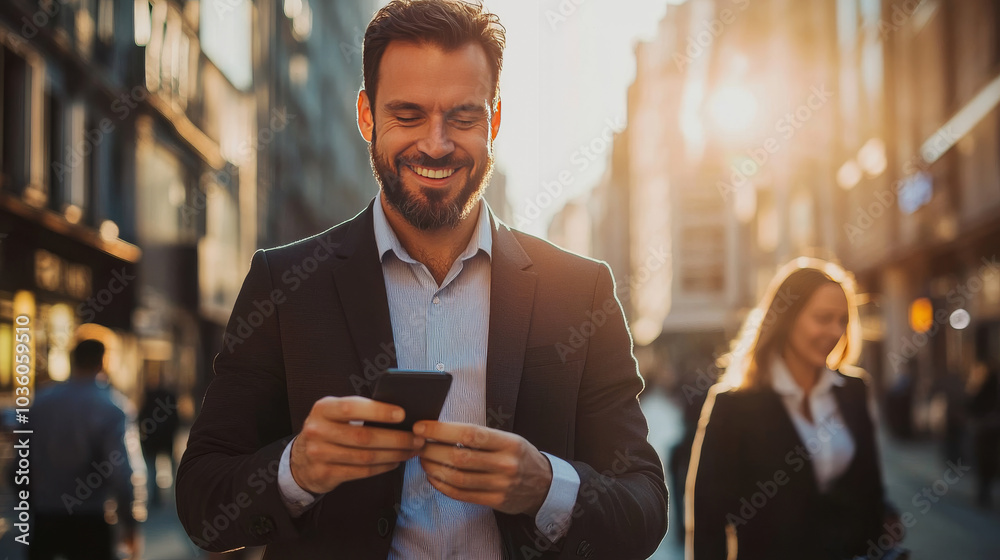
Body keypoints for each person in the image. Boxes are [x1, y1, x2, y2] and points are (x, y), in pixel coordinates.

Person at [175, 1, 668, 558]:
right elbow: (202, 504)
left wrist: (545, 486)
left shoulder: (581, 294)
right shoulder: (284, 284)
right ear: (366, 116)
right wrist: (298, 468)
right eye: (407, 115)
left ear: (495, 121)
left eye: (462, 117)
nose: (436, 144)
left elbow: (645, 508)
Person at [686, 259, 902, 560]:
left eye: (842, 321)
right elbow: (709, 519)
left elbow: (870, 488)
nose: (834, 331)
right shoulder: (733, 406)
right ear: (786, 317)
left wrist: (885, 519)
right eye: (823, 318)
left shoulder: (853, 390)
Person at [31, 339, 145, 560]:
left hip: (45, 515)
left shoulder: (41, 403)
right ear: (103, 362)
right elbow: (120, 471)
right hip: (90, 517)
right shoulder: (111, 407)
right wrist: (130, 521)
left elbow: (20, 464)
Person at [967, 360, 1000, 508]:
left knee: (984, 463)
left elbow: (971, 405)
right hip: (989, 432)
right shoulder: (989, 390)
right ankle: (984, 492)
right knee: (987, 463)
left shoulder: (983, 390)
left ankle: (983, 492)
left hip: (986, 432)